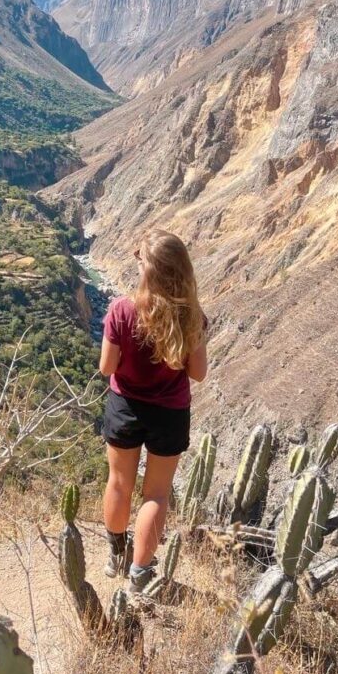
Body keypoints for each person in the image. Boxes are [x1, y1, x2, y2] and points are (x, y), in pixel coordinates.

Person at [99, 228, 208, 592]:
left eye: (141, 259)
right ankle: (141, 572)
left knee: (119, 483)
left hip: (125, 407)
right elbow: (198, 373)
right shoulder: (191, 317)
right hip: (169, 413)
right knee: (156, 495)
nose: (137, 264)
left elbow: (106, 367)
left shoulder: (122, 309)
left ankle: (117, 554)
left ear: (151, 269)